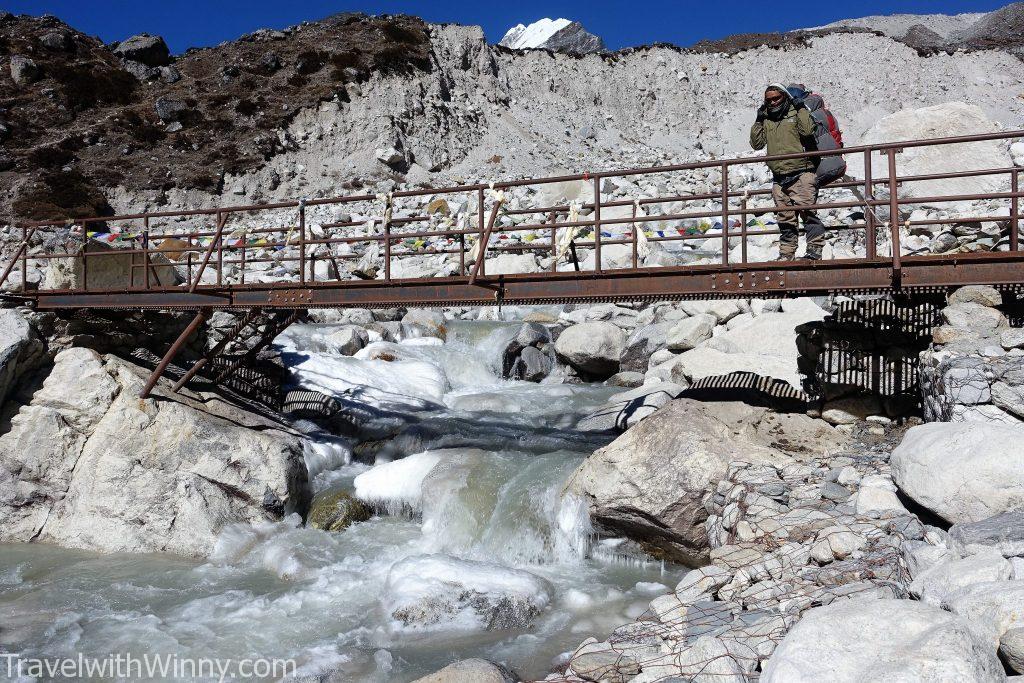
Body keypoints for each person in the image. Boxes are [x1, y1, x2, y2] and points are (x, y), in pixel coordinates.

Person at [750, 83, 827, 260]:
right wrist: (758, 120)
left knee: (808, 214)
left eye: (776, 98)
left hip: (802, 173)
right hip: (779, 177)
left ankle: (814, 251)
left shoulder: (796, 112)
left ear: (784, 96)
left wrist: (800, 108)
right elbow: (756, 144)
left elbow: (807, 130)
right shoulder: (767, 119)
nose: (773, 102)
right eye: (769, 100)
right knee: (784, 219)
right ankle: (786, 254)